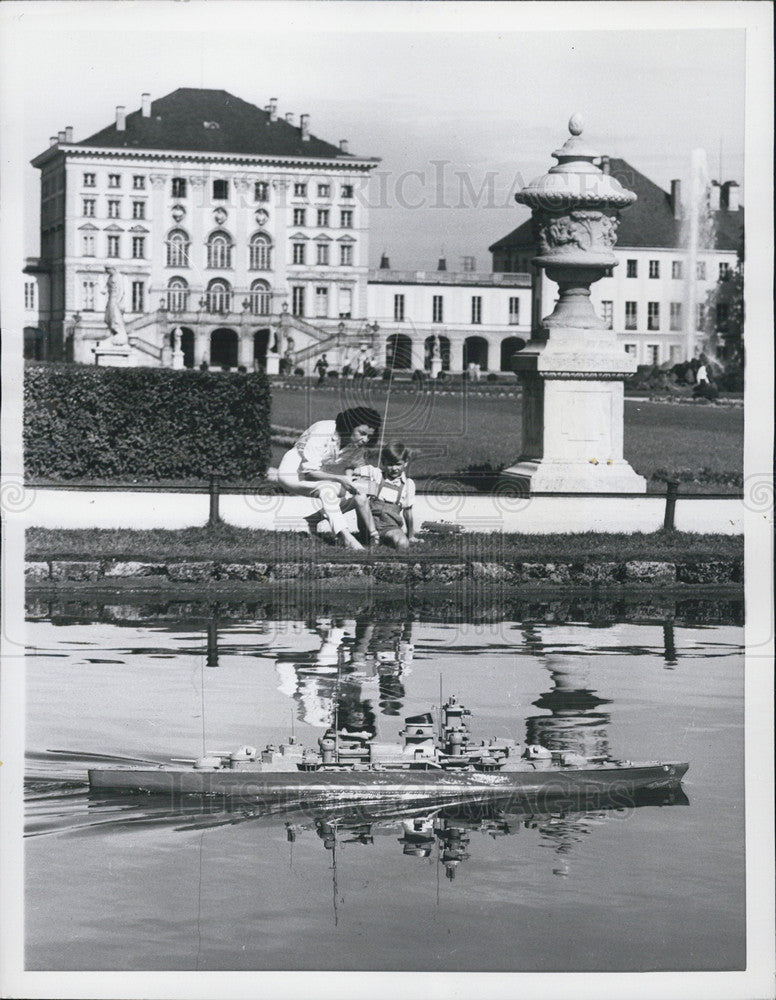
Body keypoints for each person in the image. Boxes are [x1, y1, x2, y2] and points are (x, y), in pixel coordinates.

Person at [276, 407, 381, 550]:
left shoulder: (355, 445)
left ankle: (313, 520)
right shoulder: (323, 430)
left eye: (369, 436)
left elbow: (358, 466)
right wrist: (342, 479)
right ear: (349, 426)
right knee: (328, 490)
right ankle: (344, 536)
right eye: (362, 434)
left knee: (364, 489)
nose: (365, 440)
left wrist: (372, 475)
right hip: (292, 472)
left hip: (321, 473)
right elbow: (309, 472)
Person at [354, 442, 416, 550]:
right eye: (390, 464)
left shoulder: (408, 484)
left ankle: (381, 539)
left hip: (390, 526)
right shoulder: (376, 474)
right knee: (359, 496)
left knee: (403, 543)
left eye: (398, 464)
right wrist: (363, 482)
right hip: (369, 523)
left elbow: (408, 512)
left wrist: (410, 536)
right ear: (383, 462)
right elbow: (354, 471)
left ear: (405, 463)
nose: (394, 468)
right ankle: (373, 535)